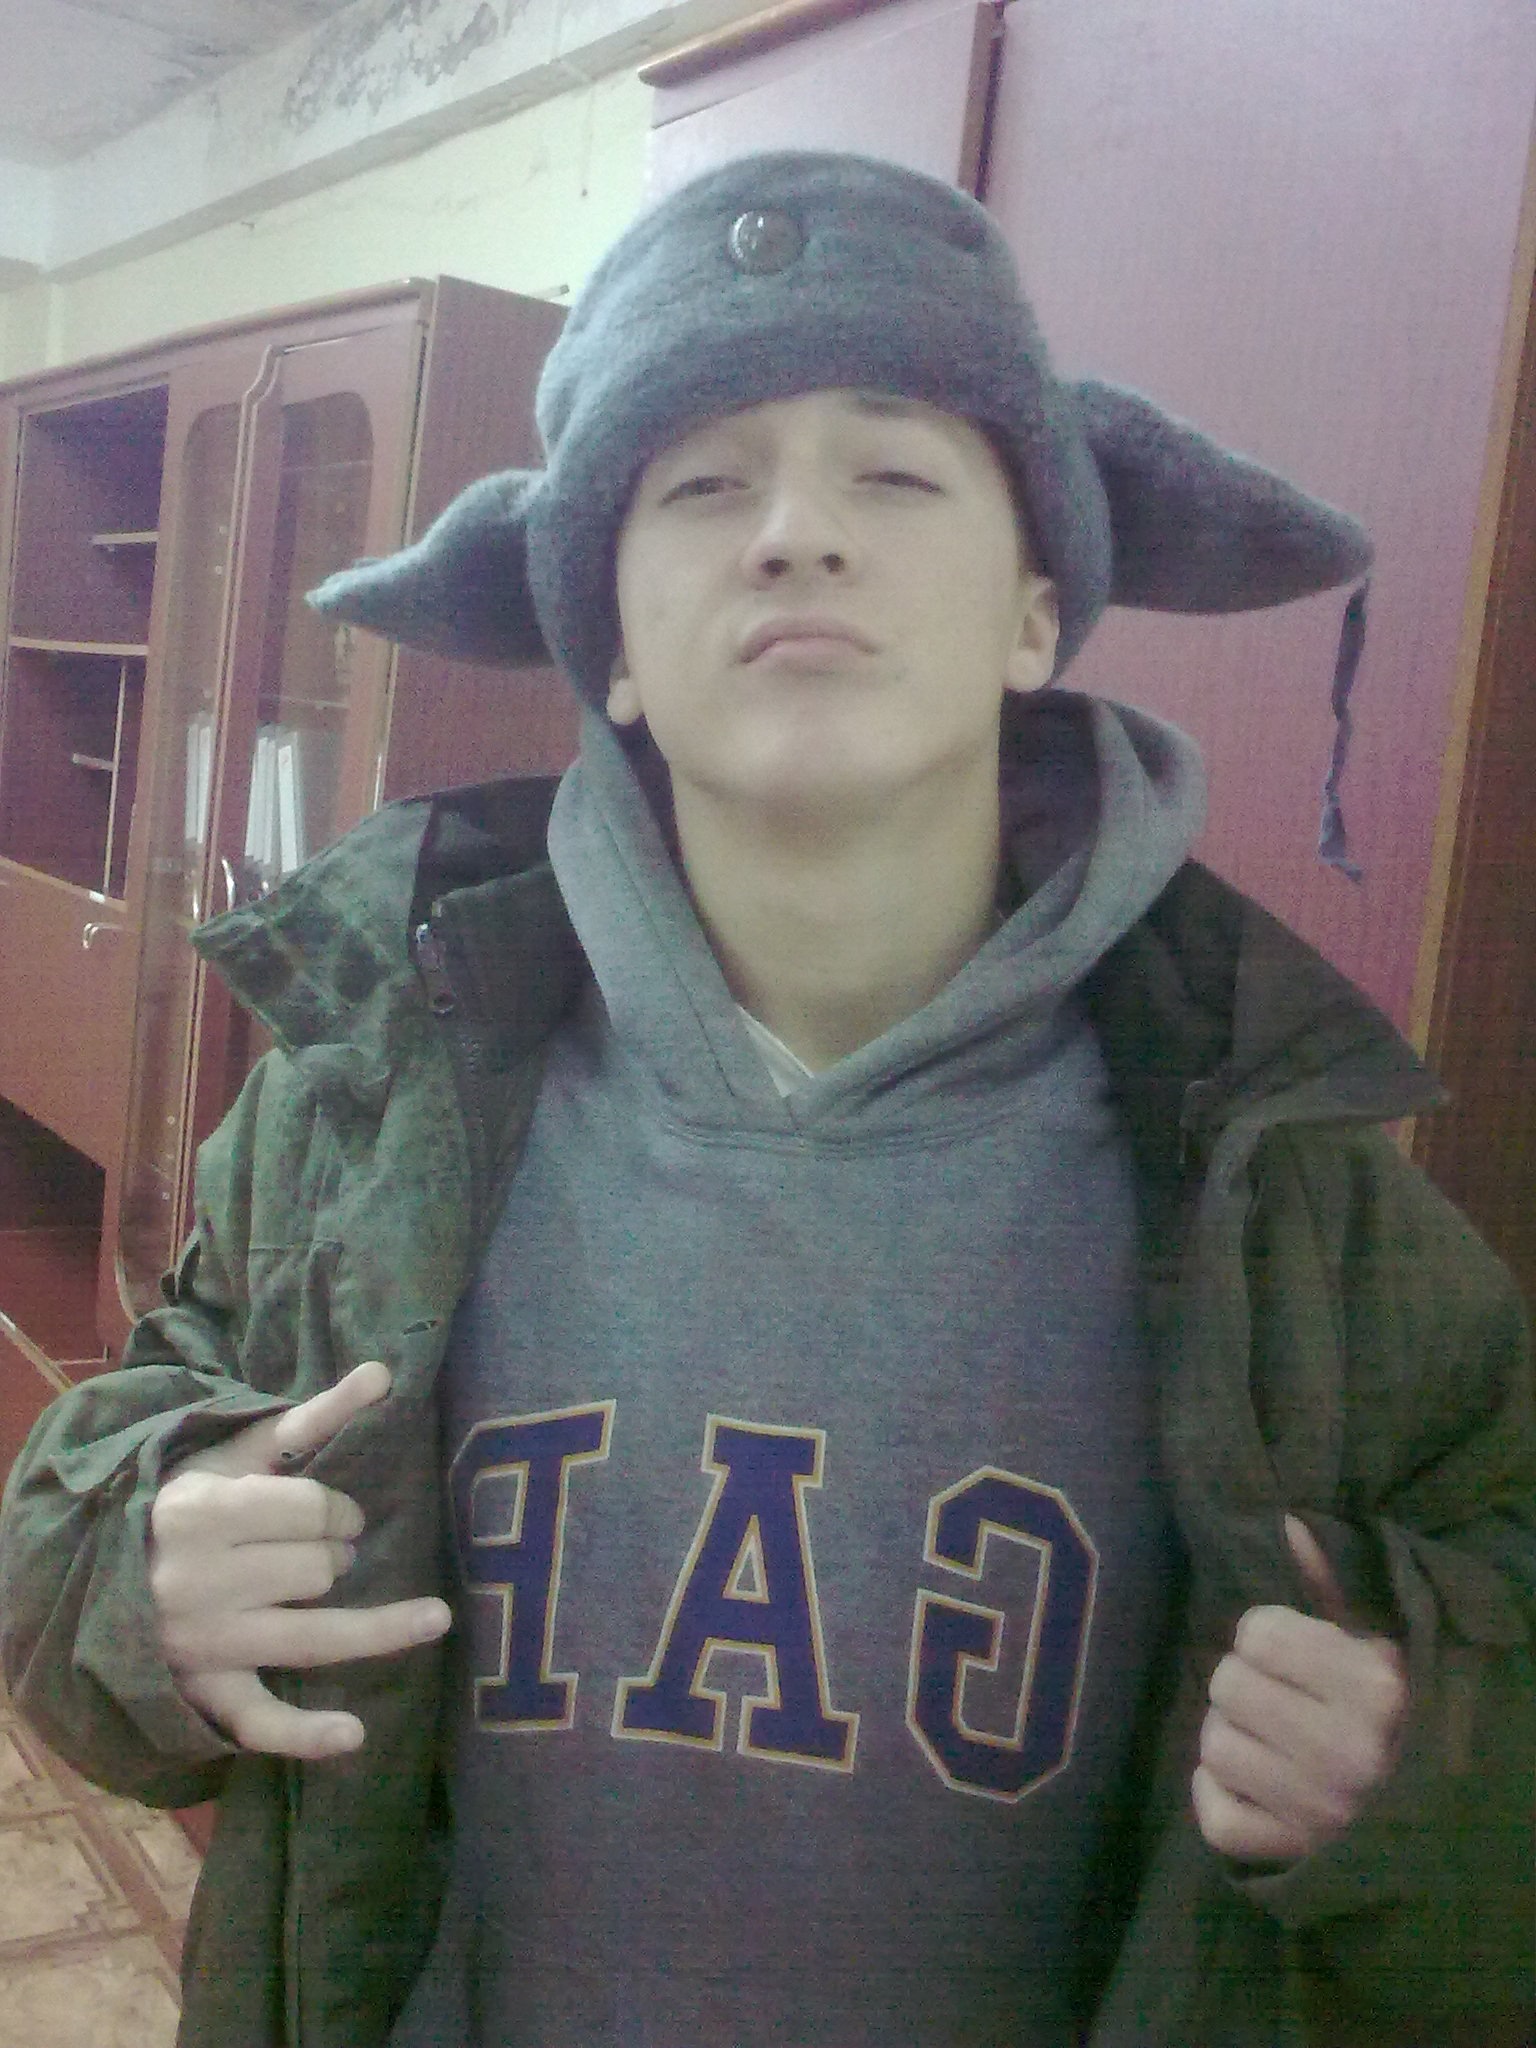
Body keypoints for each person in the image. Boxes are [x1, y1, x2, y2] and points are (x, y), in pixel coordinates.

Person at [1, 151, 1532, 2048]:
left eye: (894, 473)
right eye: (705, 484)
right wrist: (141, 1565)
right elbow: (81, 1526)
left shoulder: (1291, 1196)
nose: (798, 534)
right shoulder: (362, 1119)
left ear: (1039, 610)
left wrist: (1435, 1763)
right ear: (610, 648)